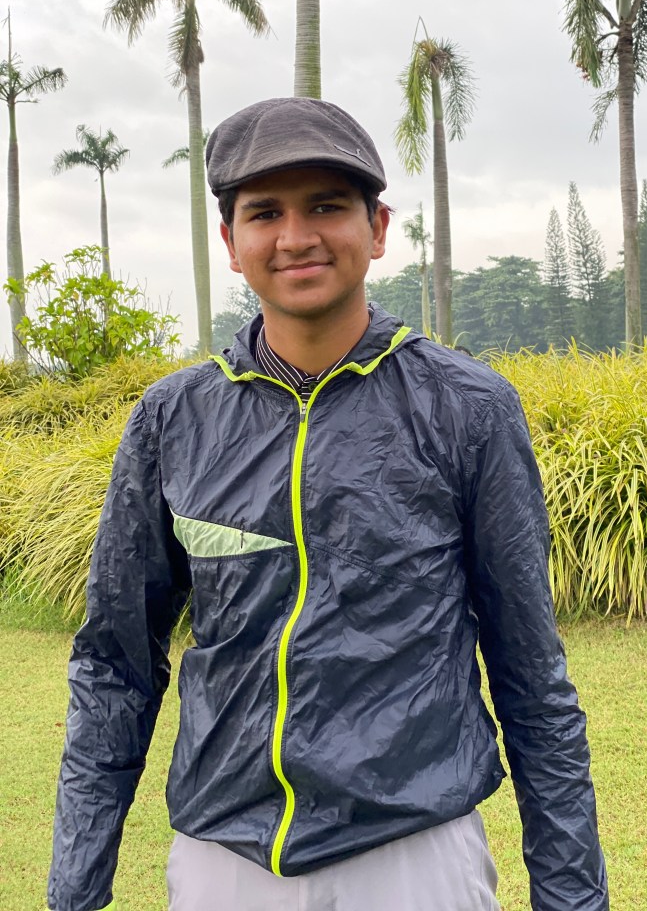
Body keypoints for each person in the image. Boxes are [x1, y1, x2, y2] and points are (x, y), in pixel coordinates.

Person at [48, 97, 609, 911]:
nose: (296, 236)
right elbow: (114, 665)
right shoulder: (173, 419)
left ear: (376, 229)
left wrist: (573, 897)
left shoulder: (468, 407)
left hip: (417, 854)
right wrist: (74, 891)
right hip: (223, 860)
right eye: (264, 213)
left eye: (325, 206)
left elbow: (531, 674)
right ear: (230, 243)